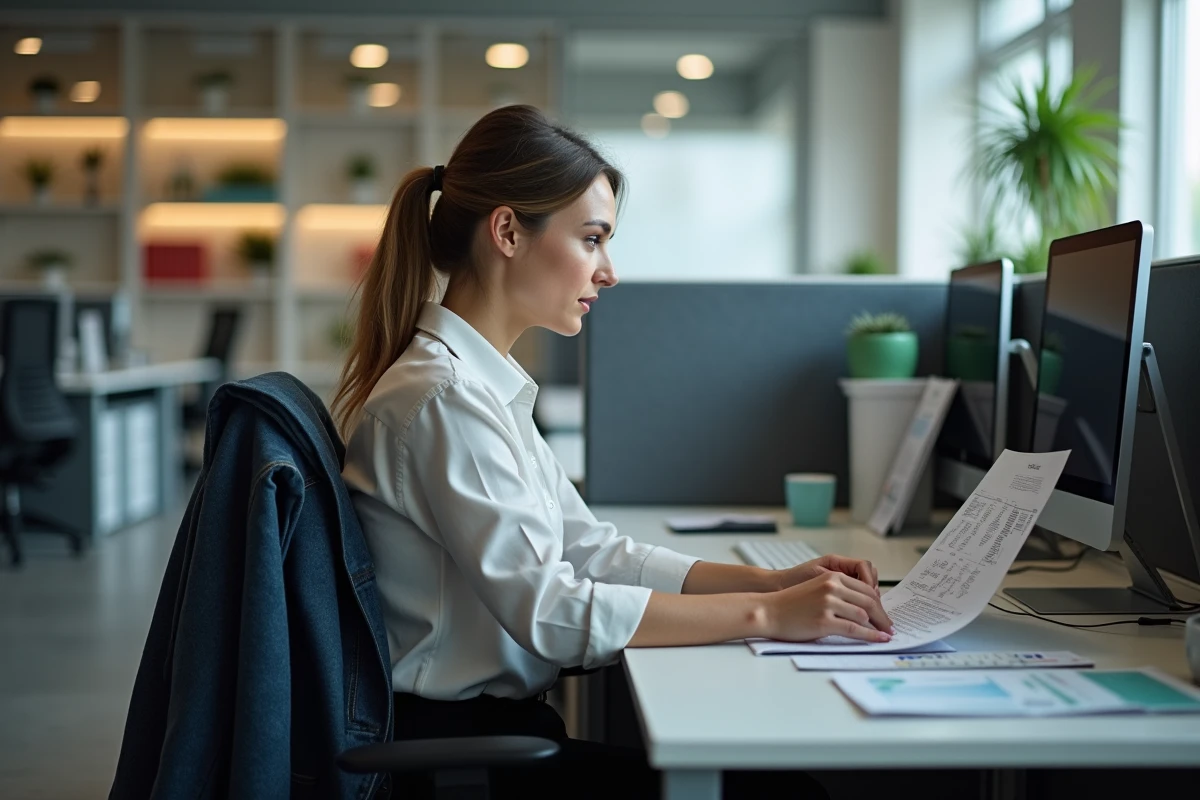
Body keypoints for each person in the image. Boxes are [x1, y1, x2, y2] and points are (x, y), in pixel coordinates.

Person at [335, 104, 892, 799]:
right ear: (507, 231)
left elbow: (592, 550)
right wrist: (769, 618)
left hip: (496, 739)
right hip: (469, 760)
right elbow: (548, 611)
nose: (609, 271)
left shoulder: (476, 387)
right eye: (592, 239)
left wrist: (772, 585)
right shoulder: (444, 398)